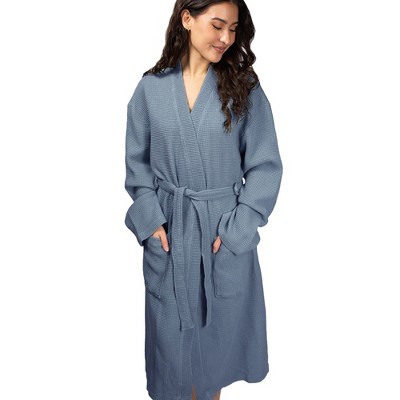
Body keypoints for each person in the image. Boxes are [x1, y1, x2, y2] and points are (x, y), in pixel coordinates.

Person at [124, 0, 283, 399]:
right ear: (187, 19)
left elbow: (265, 167)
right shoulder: (149, 90)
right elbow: (137, 167)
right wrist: (151, 224)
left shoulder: (244, 89)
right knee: (174, 364)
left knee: (212, 366)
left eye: (233, 28)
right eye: (217, 25)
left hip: (220, 237)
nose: (226, 37)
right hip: (172, 237)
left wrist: (236, 232)